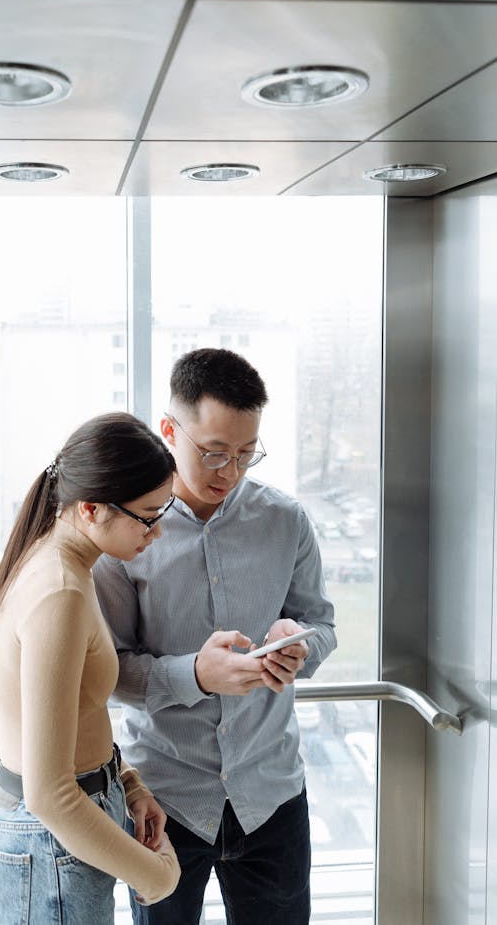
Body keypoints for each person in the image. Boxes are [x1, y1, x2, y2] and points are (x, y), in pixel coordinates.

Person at [93, 349, 337, 924]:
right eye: (215, 453)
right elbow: (108, 671)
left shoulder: (286, 521)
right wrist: (194, 675)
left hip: (271, 796)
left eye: (246, 454)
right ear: (169, 430)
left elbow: (322, 623)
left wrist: (300, 646)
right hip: (164, 803)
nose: (230, 472)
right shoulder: (125, 532)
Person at [0, 412, 181, 924]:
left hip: (60, 838)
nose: (158, 531)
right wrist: (159, 878)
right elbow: (49, 794)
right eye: (148, 516)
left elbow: (74, 714)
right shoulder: (59, 590)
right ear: (90, 508)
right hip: (51, 848)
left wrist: (126, 782)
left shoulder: (67, 568)